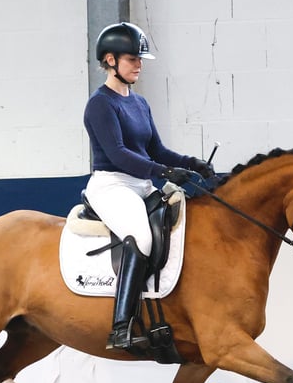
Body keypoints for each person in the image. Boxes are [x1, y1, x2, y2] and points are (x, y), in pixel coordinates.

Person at [83, 22, 214, 351]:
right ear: (110, 60)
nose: (139, 65)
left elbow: (156, 149)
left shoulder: (139, 103)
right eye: (132, 59)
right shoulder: (100, 105)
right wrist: (165, 171)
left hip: (141, 183)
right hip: (112, 184)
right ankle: (121, 327)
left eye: (140, 59)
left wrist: (190, 163)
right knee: (140, 236)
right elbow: (119, 154)